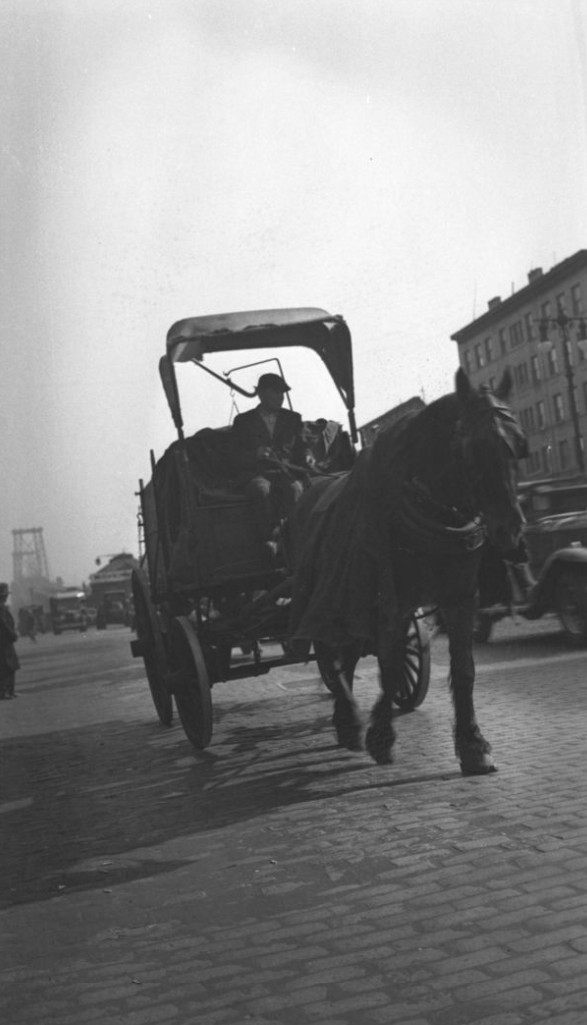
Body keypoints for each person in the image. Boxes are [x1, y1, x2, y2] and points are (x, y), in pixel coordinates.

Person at [231, 373, 315, 541]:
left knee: (295, 489)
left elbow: (303, 447)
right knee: (261, 490)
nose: (280, 397)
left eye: (282, 393)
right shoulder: (243, 421)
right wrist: (256, 454)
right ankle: (270, 540)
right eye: (275, 392)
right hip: (257, 474)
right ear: (261, 394)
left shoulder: (293, 418)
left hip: (286, 473)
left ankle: (296, 538)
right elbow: (234, 456)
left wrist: (308, 456)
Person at [0, 583, 20, 699]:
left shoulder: (3, 608)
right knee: (6, 666)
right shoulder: (0, 609)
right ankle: (3, 692)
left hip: (6, 642)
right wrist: (12, 634)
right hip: (3, 642)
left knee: (11, 666)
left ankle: (10, 691)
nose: (6, 597)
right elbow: (4, 625)